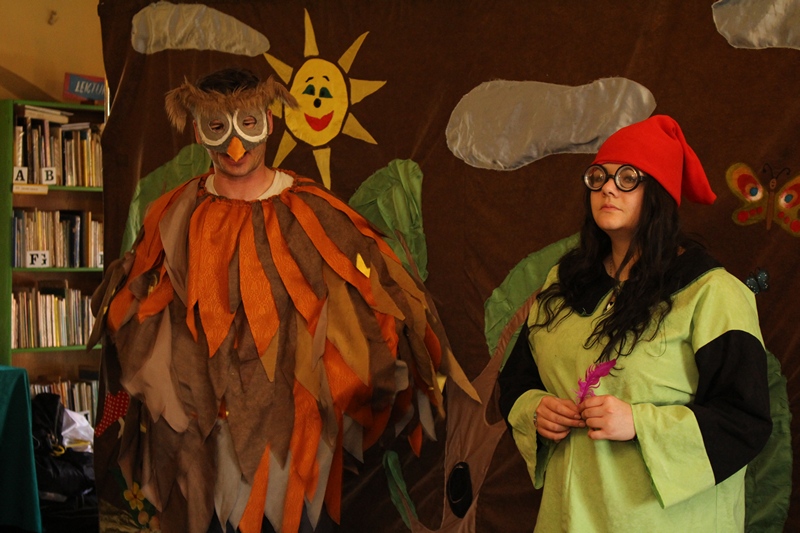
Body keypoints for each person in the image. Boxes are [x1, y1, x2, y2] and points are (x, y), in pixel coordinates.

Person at [89, 68, 475, 533]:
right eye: (218, 127)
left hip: (294, 452)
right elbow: (136, 311)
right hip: (202, 448)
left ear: (269, 123)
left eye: (249, 123)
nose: (236, 145)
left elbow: (378, 311)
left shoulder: (315, 214)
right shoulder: (172, 217)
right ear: (197, 131)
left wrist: (338, 385)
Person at [498, 115, 772, 532]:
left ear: (658, 192)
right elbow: (516, 380)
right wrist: (535, 409)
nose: (607, 188)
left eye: (628, 178)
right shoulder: (563, 285)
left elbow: (744, 420)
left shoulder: (712, 292)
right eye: (598, 177)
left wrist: (639, 423)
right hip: (569, 517)